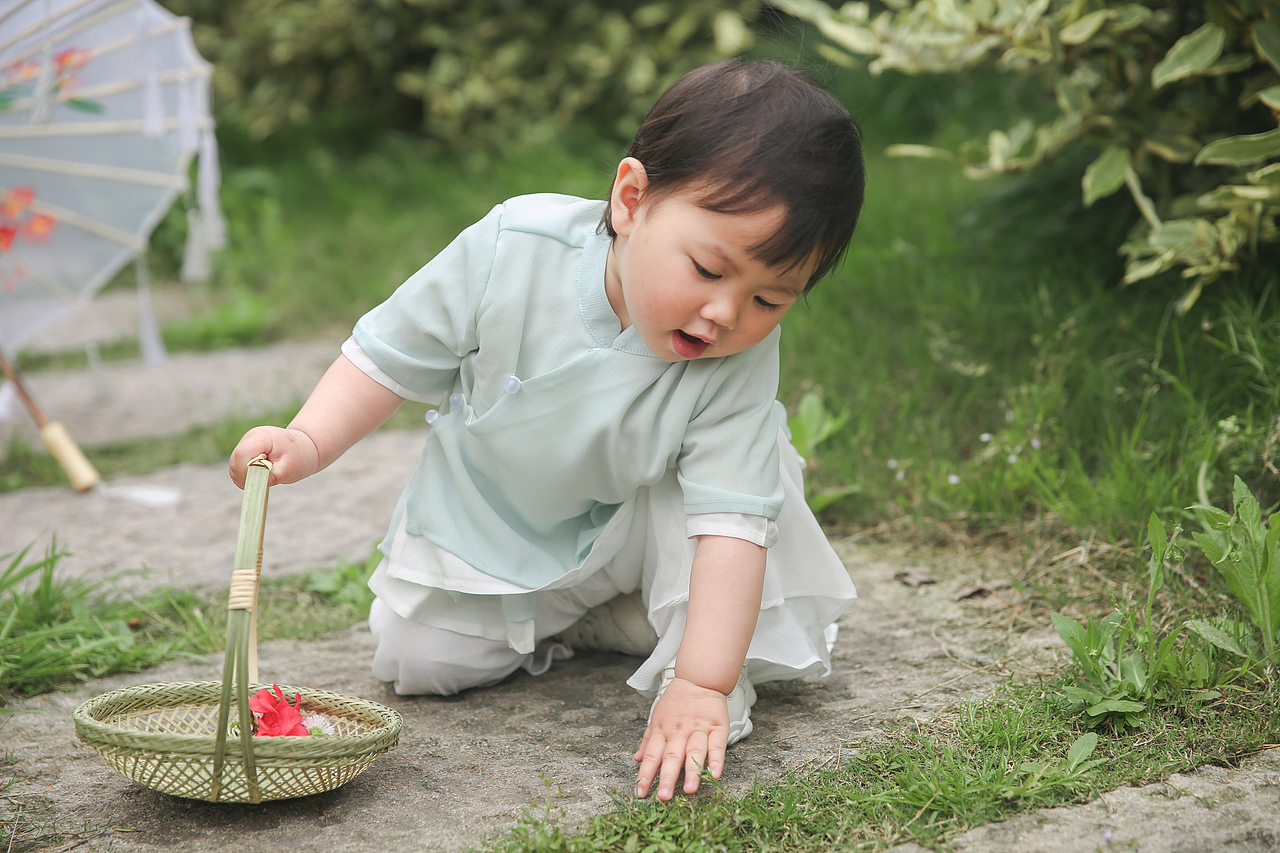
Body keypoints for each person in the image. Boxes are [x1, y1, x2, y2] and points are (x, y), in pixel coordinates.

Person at [229, 58, 865, 803]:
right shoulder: (514, 247)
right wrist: (307, 440)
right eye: (705, 268)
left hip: (641, 517)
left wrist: (701, 681)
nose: (726, 314)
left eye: (768, 297)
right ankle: (597, 617)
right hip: (497, 518)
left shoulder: (738, 357)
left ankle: (673, 635)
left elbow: (728, 524)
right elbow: (387, 356)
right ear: (632, 200)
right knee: (419, 661)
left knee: (725, 516)